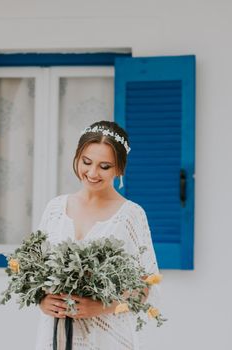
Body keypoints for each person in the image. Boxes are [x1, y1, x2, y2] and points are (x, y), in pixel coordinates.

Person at [35, 120, 160, 350]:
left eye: (104, 166)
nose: (92, 173)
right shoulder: (55, 208)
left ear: (119, 169)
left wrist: (101, 306)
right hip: (56, 335)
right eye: (86, 162)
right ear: (77, 157)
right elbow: (34, 271)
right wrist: (42, 300)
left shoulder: (131, 215)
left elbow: (145, 286)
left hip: (108, 337)